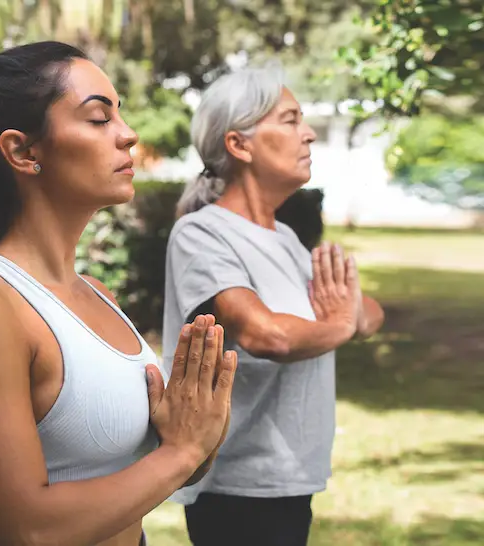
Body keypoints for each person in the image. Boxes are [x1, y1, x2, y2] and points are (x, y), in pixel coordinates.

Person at [0, 41, 238, 546]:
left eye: (119, 117)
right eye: (98, 119)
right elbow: (28, 530)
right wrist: (181, 454)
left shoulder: (96, 294)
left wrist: (192, 437)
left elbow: (150, 476)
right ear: (22, 151)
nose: (128, 136)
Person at [161, 68, 386, 546]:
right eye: (290, 120)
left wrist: (345, 316)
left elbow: (368, 311)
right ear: (240, 145)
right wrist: (343, 323)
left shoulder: (284, 239)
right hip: (237, 489)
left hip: (291, 479)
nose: (307, 134)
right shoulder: (202, 234)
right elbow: (269, 335)